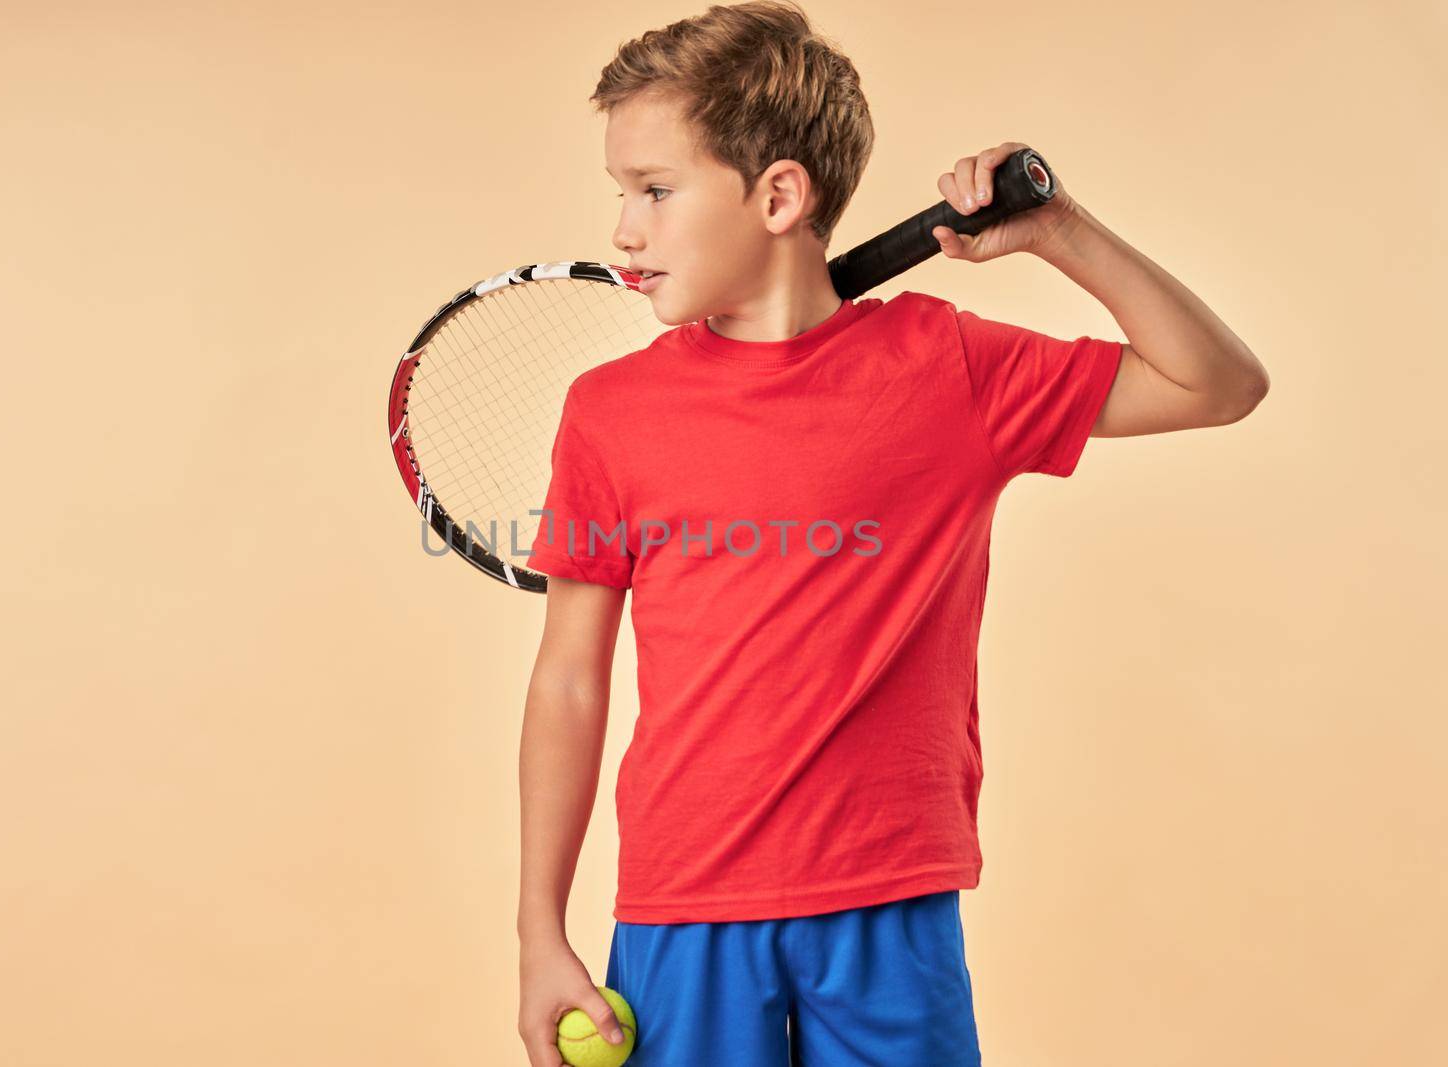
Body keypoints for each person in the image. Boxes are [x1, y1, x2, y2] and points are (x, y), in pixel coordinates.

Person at [515, 3, 1268, 1065]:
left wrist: (1059, 231)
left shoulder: (947, 369)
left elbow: (1220, 381)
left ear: (779, 194)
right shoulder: (610, 410)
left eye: (653, 190)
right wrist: (537, 930)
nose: (622, 229)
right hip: (685, 901)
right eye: (619, 193)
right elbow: (568, 683)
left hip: (888, 898)